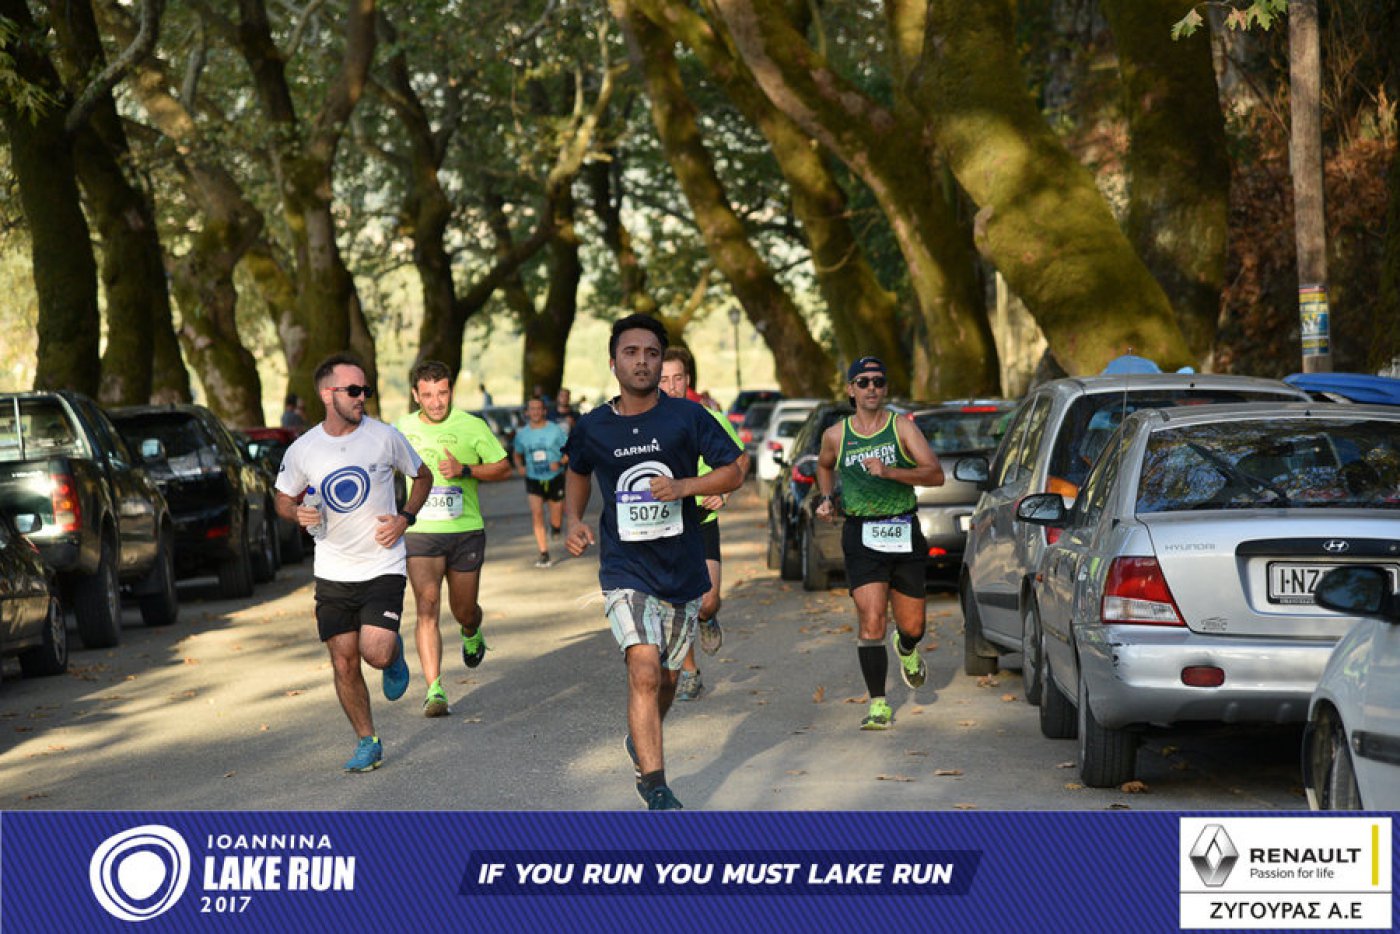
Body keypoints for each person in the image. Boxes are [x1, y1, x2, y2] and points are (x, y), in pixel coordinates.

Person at [563, 314, 743, 810]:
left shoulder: (687, 417)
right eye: (631, 352)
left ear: (661, 361)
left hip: (682, 568)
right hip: (625, 569)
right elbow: (577, 470)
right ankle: (657, 784)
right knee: (643, 668)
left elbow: (734, 470)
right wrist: (573, 520)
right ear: (613, 362)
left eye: (651, 353)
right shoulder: (593, 426)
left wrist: (686, 486)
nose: (641, 361)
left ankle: (640, 740)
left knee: (665, 679)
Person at [274, 354, 432, 771]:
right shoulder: (304, 449)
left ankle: (392, 654)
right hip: (332, 570)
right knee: (343, 660)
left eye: (366, 389)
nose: (363, 397)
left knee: (374, 652)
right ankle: (368, 740)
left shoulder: (384, 437)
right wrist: (296, 513)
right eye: (354, 390)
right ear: (328, 395)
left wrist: (405, 518)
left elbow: (423, 476)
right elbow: (282, 498)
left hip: (382, 563)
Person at [815, 356, 944, 731]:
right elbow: (824, 465)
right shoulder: (836, 435)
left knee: (913, 626)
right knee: (871, 620)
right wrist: (826, 498)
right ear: (850, 389)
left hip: (903, 529)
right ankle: (878, 704)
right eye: (863, 381)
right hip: (861, 534)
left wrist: (890, 471)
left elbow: (935, 475)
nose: (871, 387)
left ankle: (906, 647)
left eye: (878, 381)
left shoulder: (901, 428)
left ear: (885, 388)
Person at [395, 360, 512, 718]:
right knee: (426, 605)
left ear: (451, 392)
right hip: (421, 532)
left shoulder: (472, 426)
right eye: (428, 395)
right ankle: (434, 690)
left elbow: (503, 467)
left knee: (463, 609)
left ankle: (471, 629)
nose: (436, 402)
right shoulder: (400, 429)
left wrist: (465, 470)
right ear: (416, 395)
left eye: (442, 393)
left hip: (465, 531)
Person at [658, 346, 748, 701]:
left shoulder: (708, 417)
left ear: (688, 380)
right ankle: (690, 672)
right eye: (664, 379)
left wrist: (724, 492)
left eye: (677, 378)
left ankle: (709, 618)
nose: (671, 386)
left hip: (702, 519)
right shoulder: (644, 425)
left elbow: (741, 460)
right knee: (677, 603)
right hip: (666, 523)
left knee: (707, 601)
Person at [513, 396, 569, 567]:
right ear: (527, 412)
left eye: (539, 408)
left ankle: (556, 527)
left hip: (554, 477)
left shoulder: (555, 430)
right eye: (532, 409)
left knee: (556, 516)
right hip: (533, 478)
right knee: (537, 513)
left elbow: (570, 450)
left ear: (544, 411)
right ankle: (544, 553)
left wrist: (560, 462)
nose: (535, 412)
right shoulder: (522, 434)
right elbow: (517, 454)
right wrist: (520, 466)